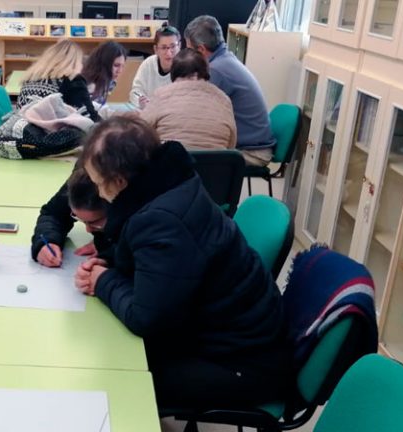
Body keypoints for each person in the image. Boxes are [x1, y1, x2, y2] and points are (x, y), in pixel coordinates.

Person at [75, 116, 289, 410]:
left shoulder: (160, 221)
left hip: (239, 363)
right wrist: (110, 262)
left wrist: (103, 281)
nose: (99, 193)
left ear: (120, 181)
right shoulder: (172, 182)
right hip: (233, 336)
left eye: (100, 184)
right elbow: (168, 267)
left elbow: (146, 318)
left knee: (115, 378)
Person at [185, 15, 275, 166]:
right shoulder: (226, 60)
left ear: (201, 49)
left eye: (189, 49)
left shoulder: (217, 70)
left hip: (251, 152)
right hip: (253, 144)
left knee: (187, 158)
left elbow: (197, 113)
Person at [141, 48, 236, 150]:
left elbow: (140, 133)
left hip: (172, 164)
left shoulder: (161, 95)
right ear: (206, 73)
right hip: (216, 164)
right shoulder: (224, 100)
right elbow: (231, 142)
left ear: (173, 73)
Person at [32, 168, 109, 267]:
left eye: (95, 222)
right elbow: (53, 214)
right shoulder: (80, 180)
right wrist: (46, 241)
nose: (88, 230)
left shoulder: (129, 191)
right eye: (81, 220)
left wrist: (109, 245)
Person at [17, 39, 100, 122]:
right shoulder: (73, 80)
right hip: (50, 133)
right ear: (76, 63)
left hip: (20, 132)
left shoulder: (30, 79)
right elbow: (90, 118)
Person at [130, 23, 181, 108]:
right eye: (164, 48)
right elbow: (135, 91)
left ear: (179, 46)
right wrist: (140, 101)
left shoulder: (186, 66)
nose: (169, 53)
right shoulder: (148, 64)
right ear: (156, 49)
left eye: (173, 47)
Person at [81, 41, 127, 106]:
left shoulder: (111, 81)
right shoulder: (85, 82)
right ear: (104, 63)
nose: (120, 71)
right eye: (116, 65)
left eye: (122, 66)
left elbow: (100, 106)